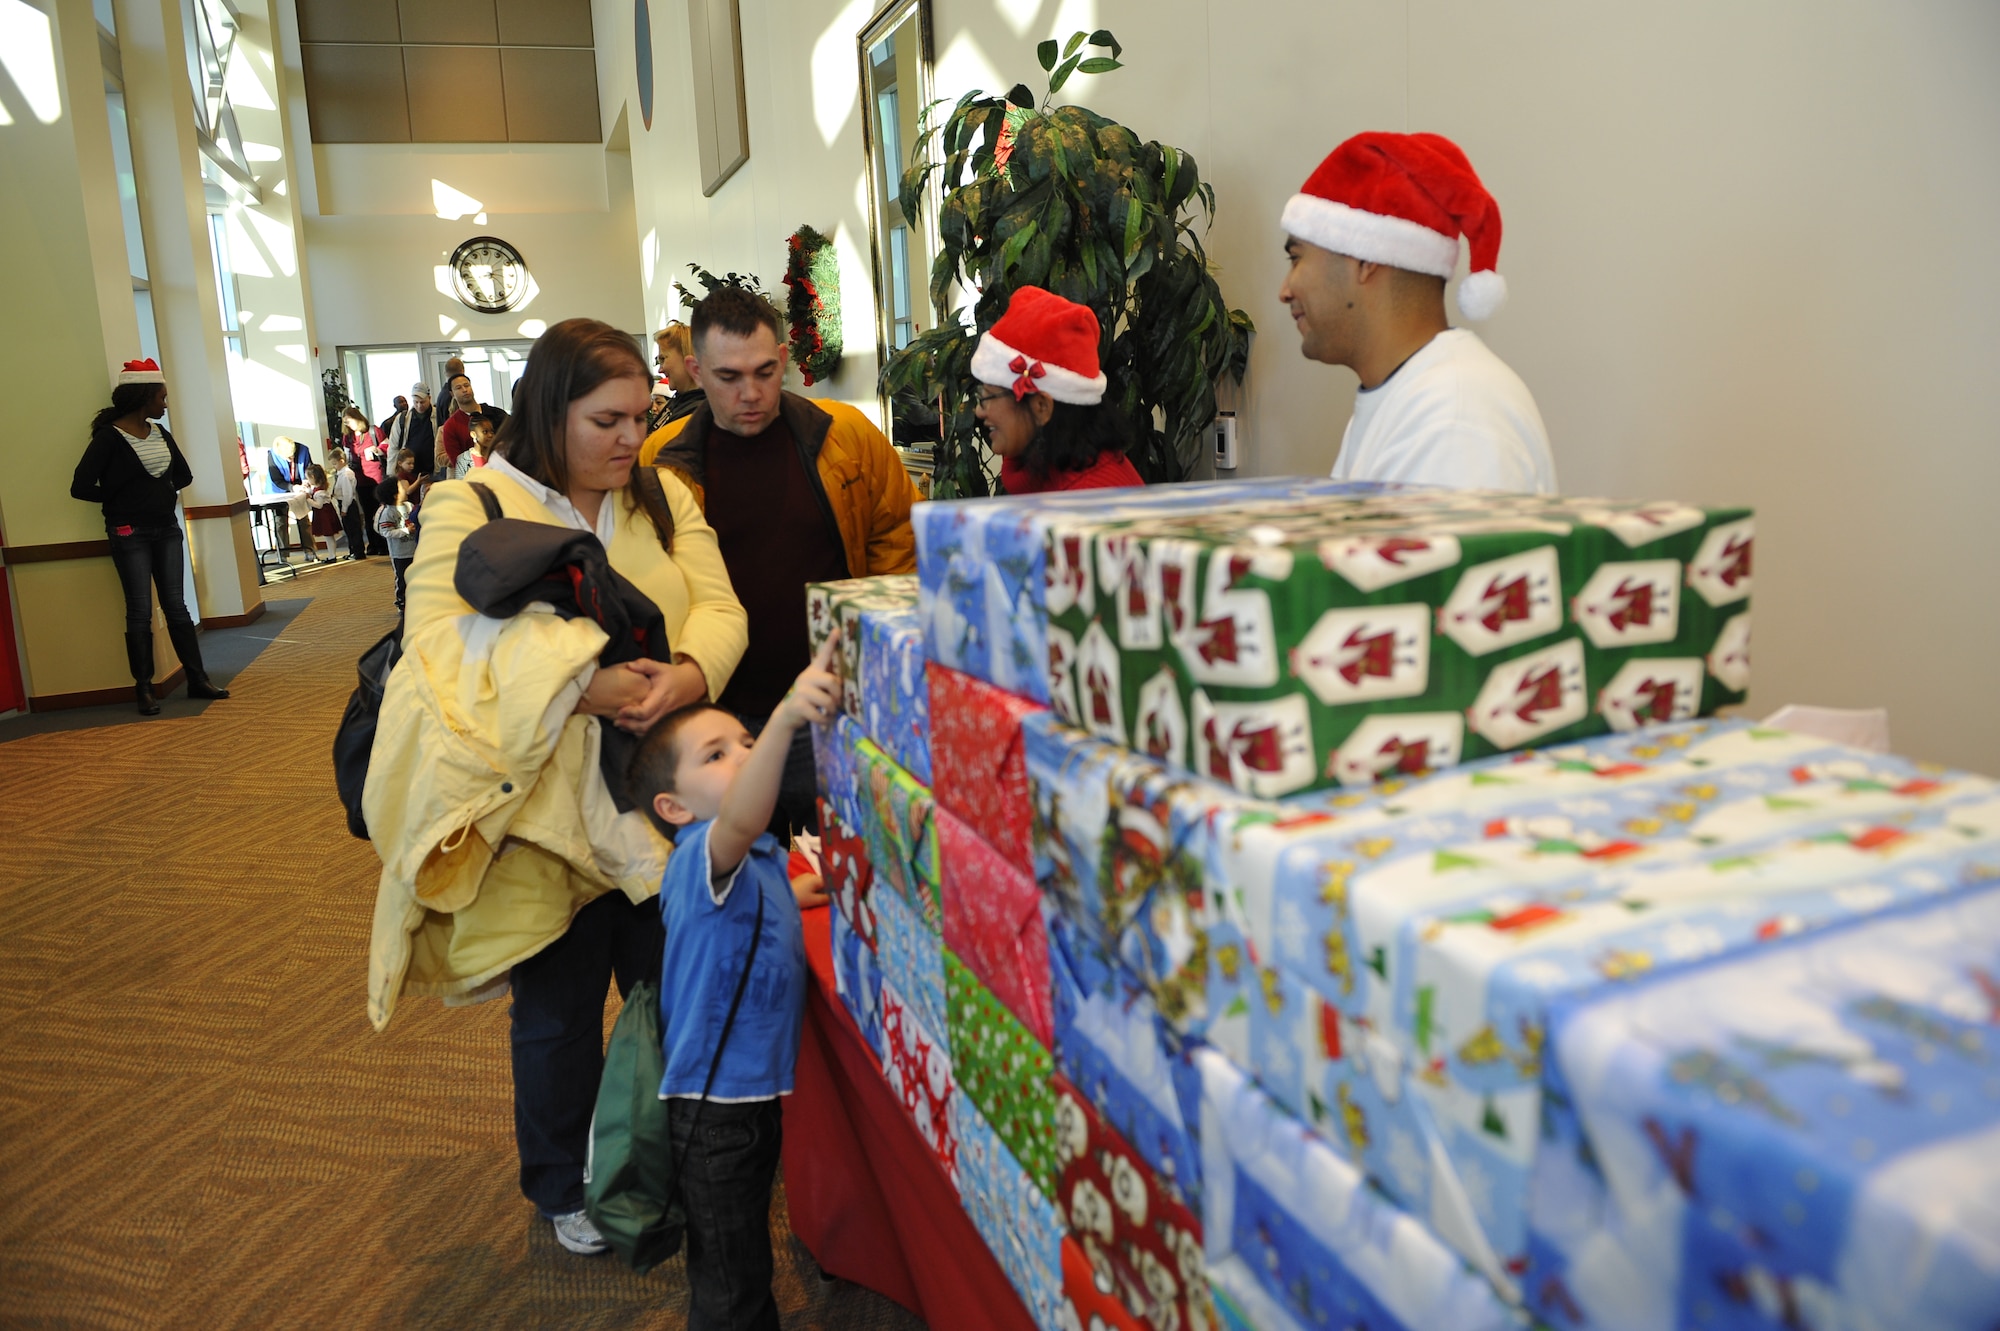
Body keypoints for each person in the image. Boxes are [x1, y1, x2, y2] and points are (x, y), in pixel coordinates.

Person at [364, 317, 749, 1261]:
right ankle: (561, 1183)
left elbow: (722, 608)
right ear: (551, 410)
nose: (630, 439)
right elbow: (437, 645)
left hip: (662, 799)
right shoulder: (477, 502)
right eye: (606, 420)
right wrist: (590, 684)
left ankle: (673, 1161)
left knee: (675, 991)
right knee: (560, 1012)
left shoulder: (661, 495)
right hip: (542, 812)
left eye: (641, 416)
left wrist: (687, 677)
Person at [641, 284, 921, 839]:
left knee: (855, 862)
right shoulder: (661, 462)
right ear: (696, 371)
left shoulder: (847, 437)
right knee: (743, 880)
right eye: (730, 377)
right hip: (721, 716)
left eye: (765, 372)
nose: (752, 392)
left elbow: (901, 550)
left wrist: (877, 668)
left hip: (835, 706)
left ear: (784, 360)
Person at [626, 636, 839, 1330]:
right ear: (675, 808)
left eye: (746, 741)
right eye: (715, 755)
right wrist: (783, 720)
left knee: (742, 1249)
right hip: (713, 1114)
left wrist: (809, 891)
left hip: (746, 1100)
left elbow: (775, 879)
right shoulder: (702, 857)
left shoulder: (755, 857)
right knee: (729, 1279)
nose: (743, 757)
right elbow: (746, 816)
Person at [1279, 131, 1555, 493]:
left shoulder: (1452, 418)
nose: (1285, 291)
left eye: (1296, 258)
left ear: (1365, 260)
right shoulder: (1412, 398)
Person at [69, 358, 230, 714]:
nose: (165, 404)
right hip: (129, 532)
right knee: (140, 610)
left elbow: (183, 475)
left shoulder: (160, 434)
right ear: (144, 397)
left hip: (166, 529)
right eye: (162, 397)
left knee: (176, 606)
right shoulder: (108, 438)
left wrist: (161, 492)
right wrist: (121, 499)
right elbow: (79, 487)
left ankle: (197, 679)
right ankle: (143, 688)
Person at [970, 286, 1144, 494]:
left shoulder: (1091, 496)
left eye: (987, 397)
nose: (979, 412)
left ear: (1041, 406)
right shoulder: (1043, 466)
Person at [437, 373, 510, 475]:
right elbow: (459, 462)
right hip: (476, 478)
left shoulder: (497, 414)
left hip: (506, 472)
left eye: (466, 385)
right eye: (458, 388)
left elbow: (513, 440)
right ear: (452, 393)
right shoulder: (451, 426)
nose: (464, 390)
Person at [373, 477, 416, 607]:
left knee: (416, 576)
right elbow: (386, 532)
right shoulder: (387, 512)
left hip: (414, 550)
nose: (405, 489)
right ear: (395, 495)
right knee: (402, 579)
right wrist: (406, 531)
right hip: (399, 554)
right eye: (401, 488)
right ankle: (401, 601)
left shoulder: (409, 506)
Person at [652, 321, 704, 426]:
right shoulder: (681, 402)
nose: (660, 370)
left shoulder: (699, 414)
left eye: (663, 359)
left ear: (688, 358)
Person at [330, 445, 367, 561]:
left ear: (341, 461)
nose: (334, 467)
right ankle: (353, 551)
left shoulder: (346, 474)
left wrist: (344, 509)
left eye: (335, 464)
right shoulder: (341, 473)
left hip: (348, 504)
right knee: (348, 529)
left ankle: (358, 552)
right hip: (345, 503)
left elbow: (348, 494)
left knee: (353, 529)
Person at [393, 386, 438, 478]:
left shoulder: (438, 416)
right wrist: (392, 474)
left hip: (434, 470)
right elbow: (393, 447)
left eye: (422, 402)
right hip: (409, 473)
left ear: (429, 398)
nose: (419, 405)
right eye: (415, 402)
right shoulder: (403, 418)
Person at [452, 413, 496, 479]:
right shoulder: (463, 459)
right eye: (485, 432)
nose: (490, 435)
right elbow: (460, 485)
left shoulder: (498, 456)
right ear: (473, 434)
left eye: (492, 432)